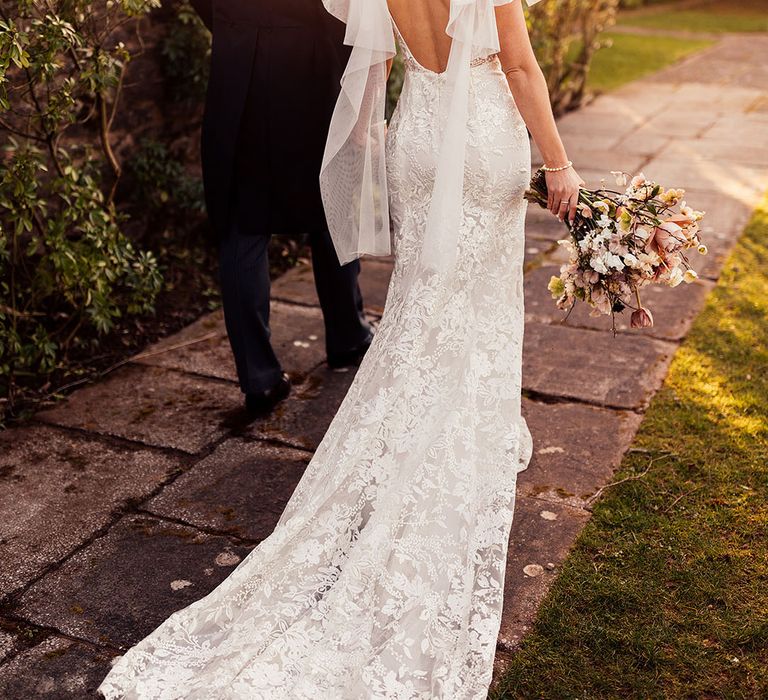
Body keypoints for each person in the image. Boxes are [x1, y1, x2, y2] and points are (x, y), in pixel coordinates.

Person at [99, 0, 584, 697]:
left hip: (418, 132)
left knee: (423, 301)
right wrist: (561, 163)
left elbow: (376, 57)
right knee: (473, 301)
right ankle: (461, 424)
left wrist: (363, 133)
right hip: (478, 137)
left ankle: (417, 418)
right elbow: (519, 62)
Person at [189, 0, 375, 416]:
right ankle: (347, 337)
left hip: (240, 63)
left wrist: (237, 25)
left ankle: (259, 379)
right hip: (314, 64)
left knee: (242, 223)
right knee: (332, 201)